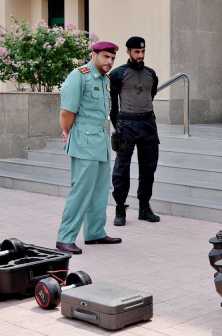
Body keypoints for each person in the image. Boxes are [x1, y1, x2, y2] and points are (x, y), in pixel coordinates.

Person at [56, 41, 123, 254]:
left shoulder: (104, 79)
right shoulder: (80, 75)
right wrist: (67, 133)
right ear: (93, 54)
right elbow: (67, 112)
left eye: (112, 58)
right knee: (81, 191)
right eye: (105, 56)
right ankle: (65, 238)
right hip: (84, 143)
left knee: (100, 191)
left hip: (100, 143)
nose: (110, 61)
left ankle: (95, 232)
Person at [109, 36, 161, 226]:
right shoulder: (117, 74)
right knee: (121, 168)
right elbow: (113, 107)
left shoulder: (151, 74)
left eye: (143, 51)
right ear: (129, 52)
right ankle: (120, 208)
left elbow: (150, 95)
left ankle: (144, 208)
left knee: (149, 168)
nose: (140, 55)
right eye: (137, 52)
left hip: (148, 123)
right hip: (126, 124)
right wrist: (118, 128)